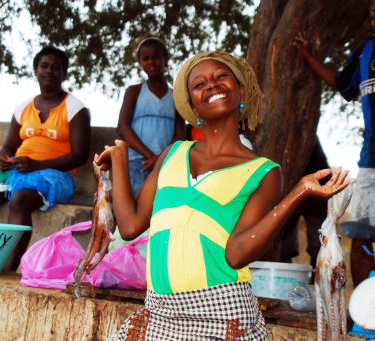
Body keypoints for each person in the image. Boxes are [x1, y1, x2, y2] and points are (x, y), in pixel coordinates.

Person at [97, 51, 349, 340]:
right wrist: (119, 159)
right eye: (199, 84)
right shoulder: (172, 154)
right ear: (193, 106)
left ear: (240, 90)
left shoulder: (263, 171)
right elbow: (129, 227)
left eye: (220, 77)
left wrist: (298, 192)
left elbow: (237, 254)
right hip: (159, 313)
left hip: (223, 314)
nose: (212, 86)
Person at [293, 0, 375, 286]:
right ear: (371, 8)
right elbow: (343, 84)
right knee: (360, 235)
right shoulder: (365, 51)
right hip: (371, 161)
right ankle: (362, 314)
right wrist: (307, 56)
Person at [0, 46, 91, 271]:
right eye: (44, 66)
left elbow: (80, 156)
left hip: (55, 175)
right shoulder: (23, 108)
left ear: (64, 73)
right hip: (19, 169)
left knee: (20, 200)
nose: (49, 71)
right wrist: (4, 156)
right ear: (36, 71)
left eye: (56, 68)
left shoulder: (76, 109)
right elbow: (10, 145)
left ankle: (7, 270)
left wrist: (38, 165)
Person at [116, 34, 185, 198]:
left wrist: (161, 158)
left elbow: (179, 133)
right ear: (140, 62)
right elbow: (123, 128)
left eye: (156, 57)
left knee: (162, 207)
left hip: (166, 162)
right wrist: (150, 157)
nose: (151, 62)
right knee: (138, 204)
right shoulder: (134, 91)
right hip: (138, 162)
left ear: (165, 58)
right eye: (145, 58)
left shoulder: (176, 96)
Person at [280, 139, 330, 270]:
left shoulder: (306, 133)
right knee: (283, 248)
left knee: (319, 247)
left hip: (318, 195)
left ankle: (317, 285)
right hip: (289, 191)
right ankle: (284, 280)